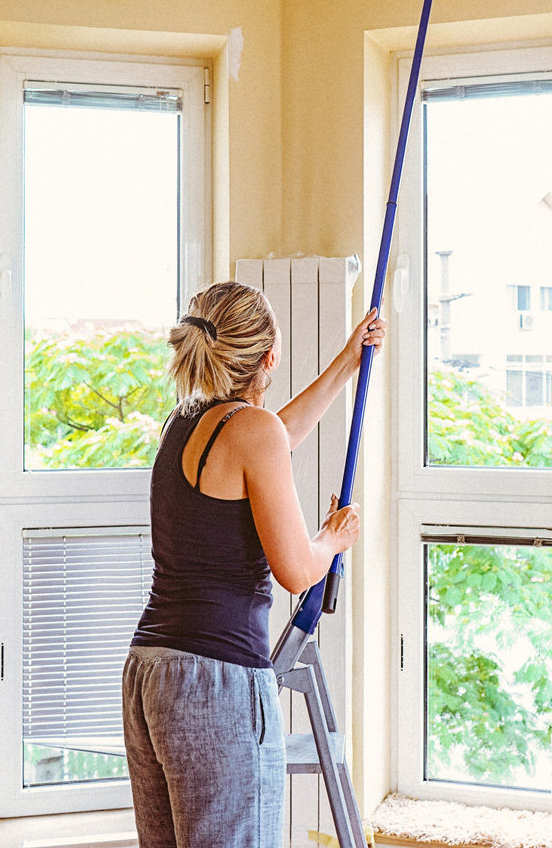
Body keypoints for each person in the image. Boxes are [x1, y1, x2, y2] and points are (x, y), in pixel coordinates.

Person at [122, 279, 384, 848]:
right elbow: (296, 569)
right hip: (215, 681)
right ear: (270, 357)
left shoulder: (183, 424)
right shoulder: (249, 430)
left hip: (151, 673)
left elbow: (276, 435)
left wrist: (347, 362)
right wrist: (333, 539)